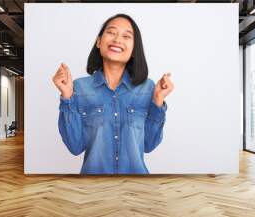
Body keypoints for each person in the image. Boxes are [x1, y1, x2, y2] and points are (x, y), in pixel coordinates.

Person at [52, 13, 174, 174]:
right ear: (98, 41)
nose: (117, 39)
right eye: (111, 32)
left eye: (126, 36)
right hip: (94, 189)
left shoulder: (147, 88)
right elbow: (75, 146)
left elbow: (149, 144)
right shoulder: (79, 88)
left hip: (136, 189)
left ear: (133, 49)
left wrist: (158, 100)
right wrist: (67, 96)